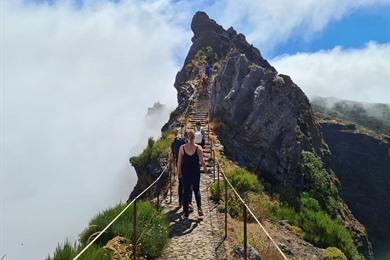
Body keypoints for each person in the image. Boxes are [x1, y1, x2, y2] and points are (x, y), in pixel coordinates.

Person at [177, 130, 207, 219]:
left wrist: (179, 172)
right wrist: (206, 170)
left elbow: (179, 162)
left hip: (185, 173)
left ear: (187, 137)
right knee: (196, 190)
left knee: (185, 192)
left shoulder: (182, 148)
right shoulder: (199, 148)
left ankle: (186, 213)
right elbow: (202, 161)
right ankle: (199, 208)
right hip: (195, 172)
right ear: (194, 137)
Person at [170, 127, 187, 206]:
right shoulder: (185, 142)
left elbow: (173, 155)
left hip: (178, 164)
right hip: (186, 164)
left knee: (180, 183)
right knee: (187, 183)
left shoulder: (174, 142)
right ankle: (187, 202)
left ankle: (180, 201)